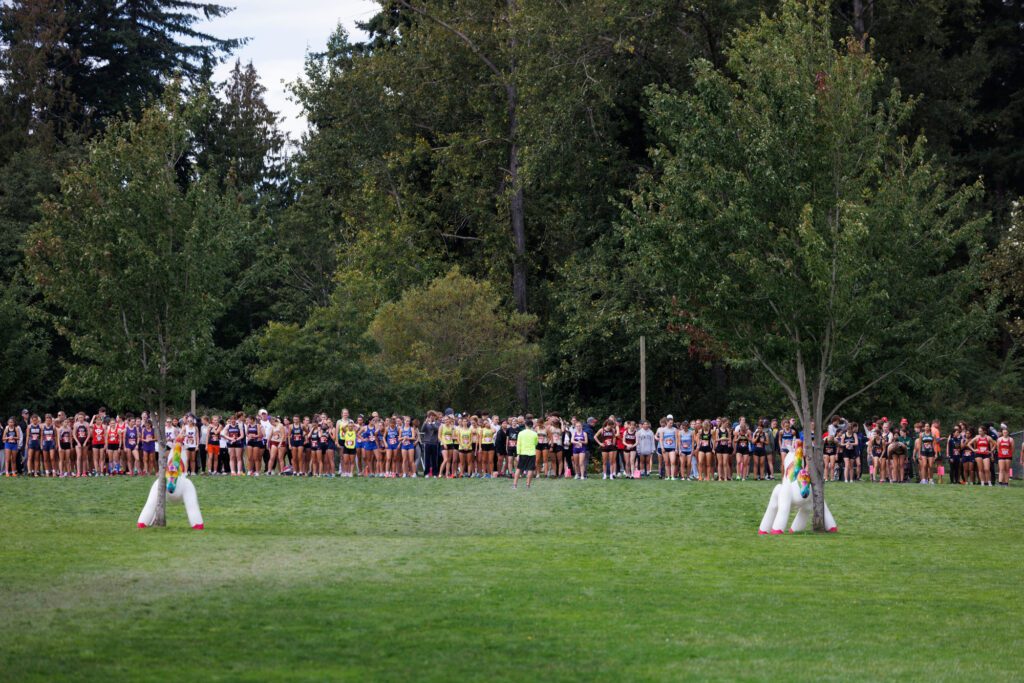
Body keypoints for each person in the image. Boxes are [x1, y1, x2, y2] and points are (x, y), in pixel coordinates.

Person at [512, 418, 538, 489]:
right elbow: (536, 443)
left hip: (522, 453)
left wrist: (518, 454)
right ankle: (528, 485)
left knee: (519, 468)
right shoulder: (535, 434)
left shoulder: (521, 433)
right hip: (532, 453)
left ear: (525, 425)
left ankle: (514, 485)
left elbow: (518, 444)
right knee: (530, 469)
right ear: (532, 426)